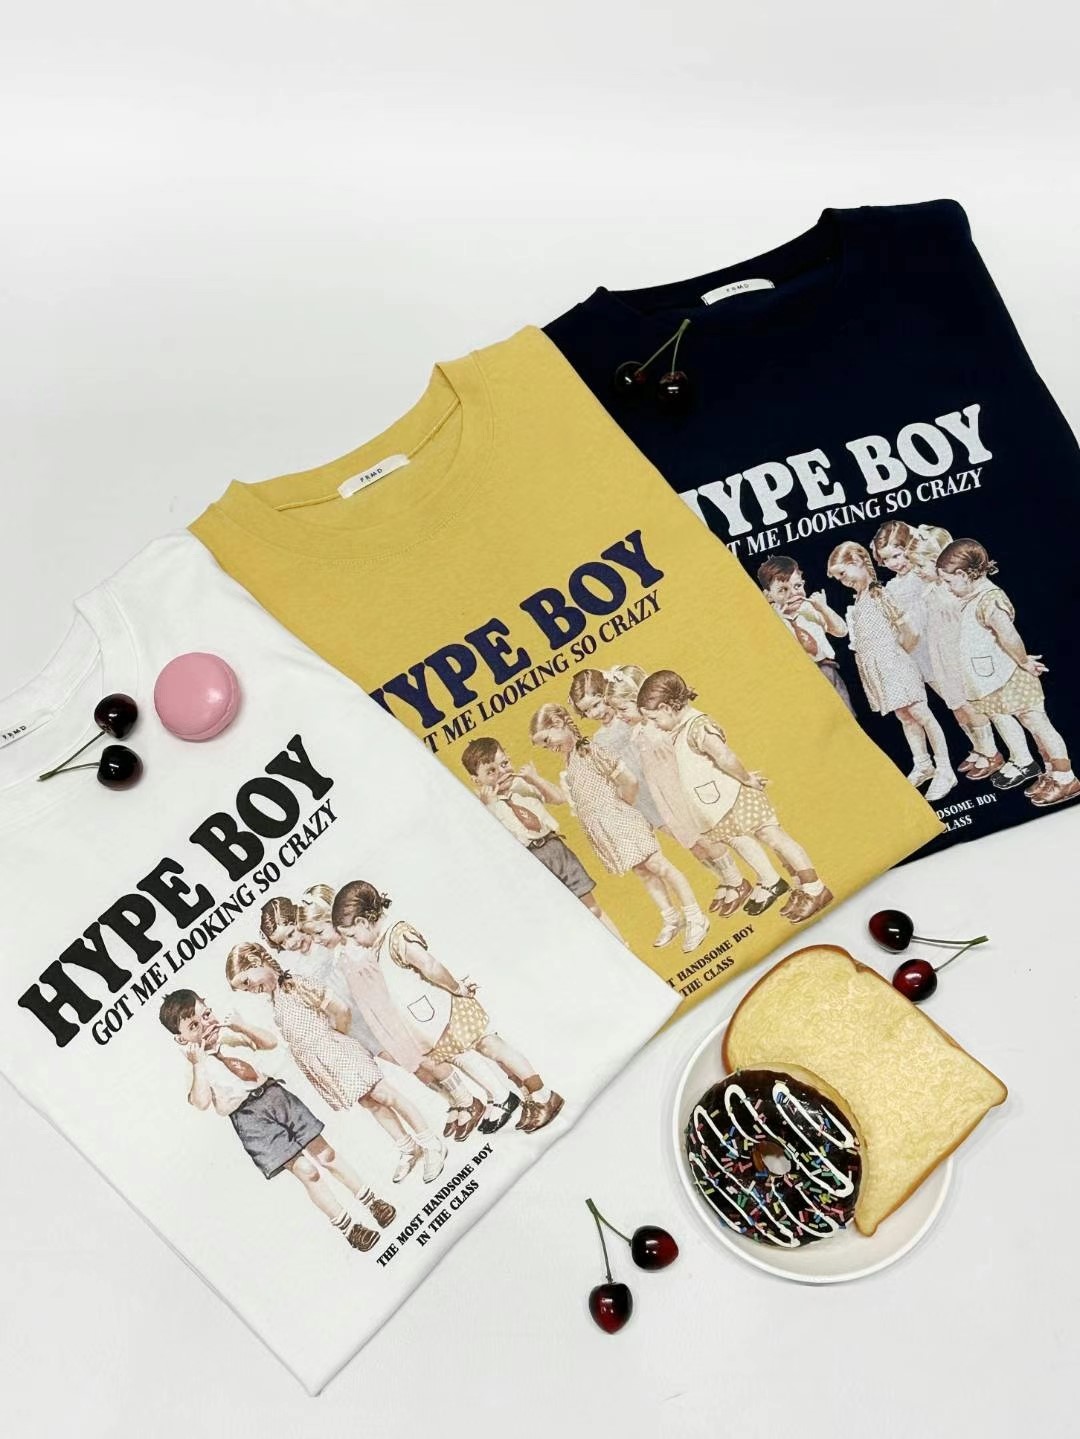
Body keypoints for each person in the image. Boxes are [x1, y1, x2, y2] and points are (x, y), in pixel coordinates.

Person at [266, 888, 519, 1139]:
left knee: (436, 1055)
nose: (292, 943)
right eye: (282, 942)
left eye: (293, 933)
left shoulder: (348, 943)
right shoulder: (309, 960)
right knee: (414, 1066)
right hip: (362, 1021)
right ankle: (457, 1100)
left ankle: (473, 1098)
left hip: (386, 1011)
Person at [159, 988, 393, 1251]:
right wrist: (197, 1064)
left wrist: (242, 1026)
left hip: (275, 1096)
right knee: (307, 1171)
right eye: (194, 1026)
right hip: (250, 1120)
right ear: (181, 1039)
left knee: (326, 1154)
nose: (206, 1024)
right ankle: (349, 1228)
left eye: (206, 1014)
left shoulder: (231, 1035)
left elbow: (269, 1042)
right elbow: (201, 1102)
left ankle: (372, 1201)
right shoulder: (195, 1067)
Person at [332, 880, 565, 1135]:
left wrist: (457, 988)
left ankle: (543, 1095)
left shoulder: (397, 937)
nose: (354, 942)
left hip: (452, 1008)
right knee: (486, 1051)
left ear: (363, 922)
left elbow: (430, 966)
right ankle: (530, 1098)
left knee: (492, 1046)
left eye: (352, 936)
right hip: (439, 1016)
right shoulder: (380, 945)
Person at [225, 942, 449, 1184]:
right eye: (245, 989)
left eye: (247, 982)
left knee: (385, 1095)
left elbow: (340, 1009)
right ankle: (408, 1147)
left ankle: (430, 1143)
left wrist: (336, 1039)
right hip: (327, 1064)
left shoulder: (295, 984)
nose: (251, 990)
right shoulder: (275, 999)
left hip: (339, 1051)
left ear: (257, 962)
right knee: (370, 1102)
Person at [637, 669, 832, 924]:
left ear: (666, 707)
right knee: (767, 841)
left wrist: (747, 779)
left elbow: (725, 757)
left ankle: (815, 888)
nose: (654, 725)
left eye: (654, 718)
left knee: (774, 837)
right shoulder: (679, 730)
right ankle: (800, 888)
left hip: (737, 796)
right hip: (724, 802)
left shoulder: (698, 726)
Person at [528, 702, 710, 952]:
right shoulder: (570, 761)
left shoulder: (589, 750)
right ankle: (671, 917)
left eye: (548, 740)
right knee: (643, 872)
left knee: (660, 866)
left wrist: (622, 808)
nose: (550, 748)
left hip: (622, 821)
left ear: (559, 724)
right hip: (611, 832)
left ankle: (695, 916)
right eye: (544, 746)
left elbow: (629, 781)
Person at [600, 664, 754, 917]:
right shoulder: (638, 732)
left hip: (680, 794)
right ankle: (726, 880)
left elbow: (679, 764)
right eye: (615, 710)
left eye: (623, 709)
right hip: (665, 798)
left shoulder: (659, 730)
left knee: (706, 840)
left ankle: (737, 881)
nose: (619, 715)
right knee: (692, 844)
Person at [936, 538, 1078, 807]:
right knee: (1032, 727)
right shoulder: (971, 598)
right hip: (998, 679)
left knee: (1039, 725)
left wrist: (1023, 661)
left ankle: (1065, 777)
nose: (947, 588)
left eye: (948, 581)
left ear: (963, 575)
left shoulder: (989, 599)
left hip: (1011, 676)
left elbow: (1008, 635)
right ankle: (1050, 774)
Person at [826, 539, 957, 802]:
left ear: (858, 561)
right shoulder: (859, 599)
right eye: (838, 578)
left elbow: (910, 631)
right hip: (881, 671)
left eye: (843, 573)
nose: (843, 580)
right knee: (904, 716)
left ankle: (945, 769)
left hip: (895, 665)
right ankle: (923, 763)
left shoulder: (879, 593)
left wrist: (897, 654)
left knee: (921, 714)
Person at [460, 736, 624, 943]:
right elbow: (494, 843)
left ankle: (622, 944)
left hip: (555, 848)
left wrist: (535, 779)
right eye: (491, 771)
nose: (502, 772)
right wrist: (490, 806)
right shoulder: (482, 807)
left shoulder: (521, 785)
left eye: (504, 763)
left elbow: (559, 798)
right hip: (530, 860)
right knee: (565, 918)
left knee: (591, 906)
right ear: (476, 780)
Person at [756, 555, 854, 714]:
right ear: (768, 595)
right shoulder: (770, 620)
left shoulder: (810, 609)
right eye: (783, 590)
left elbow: (841, 631)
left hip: (828, 671)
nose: (793, 594)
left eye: (797, 586)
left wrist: (824, 608)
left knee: (846, 713)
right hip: (799, 680)